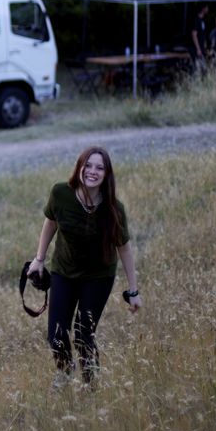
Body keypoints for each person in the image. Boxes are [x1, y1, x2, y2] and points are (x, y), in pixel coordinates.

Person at [28, 146, 142, 389]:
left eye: (99, 168)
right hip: (64, 272)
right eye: (88, 165)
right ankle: (65, 371)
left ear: (106, 174)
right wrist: (39, 259)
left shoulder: (114, 209)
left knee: (83, 335)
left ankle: (91, 386)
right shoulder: (61, 193)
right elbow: (50, 223)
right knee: (56, 335)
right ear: (79, 167)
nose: (92, 171)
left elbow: (124, 249)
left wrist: (133, 291)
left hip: (98, 277)